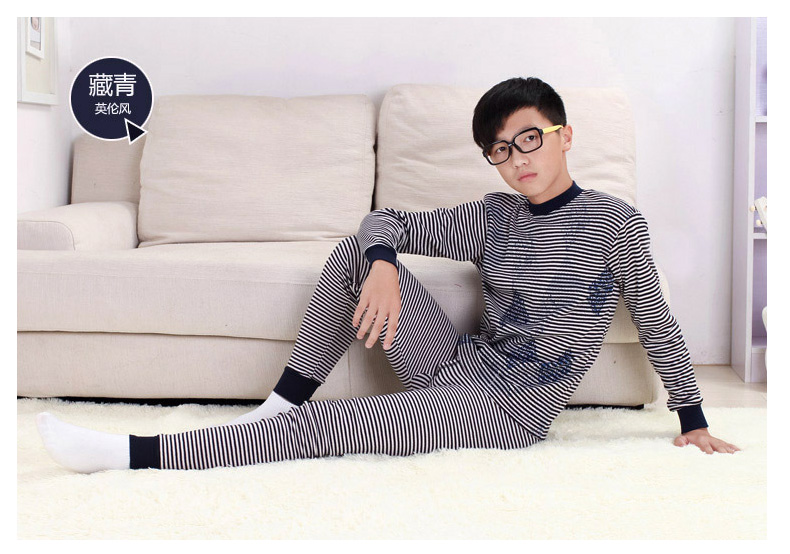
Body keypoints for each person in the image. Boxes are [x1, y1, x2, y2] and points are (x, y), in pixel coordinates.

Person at [36, 76, 740, 473]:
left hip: (513, 408)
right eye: (501, 149)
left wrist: (693, 418)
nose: (519, 158)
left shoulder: (614, 222)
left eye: (531, 139)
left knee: (336, 427)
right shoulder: (495, 215)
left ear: (564, 136)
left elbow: (656, 319)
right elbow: (385, 221)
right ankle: (279, 403)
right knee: (356, 251)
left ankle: (132, 455)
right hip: (458, 362)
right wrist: (379, 264)